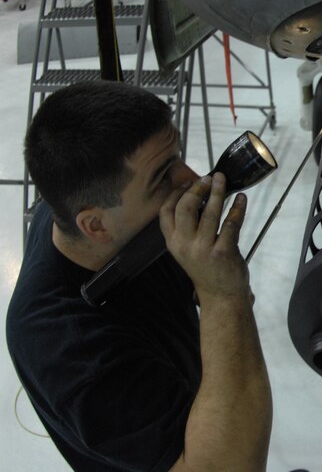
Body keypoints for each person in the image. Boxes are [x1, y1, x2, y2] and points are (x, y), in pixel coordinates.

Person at [6, 81, 272, 471]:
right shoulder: (68, 350)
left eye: (177, 157)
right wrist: (223, 296)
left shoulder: (91, 216)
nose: (191, 178)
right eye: (162, 177)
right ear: (95, 225)